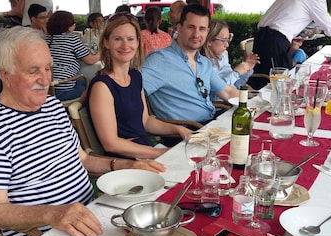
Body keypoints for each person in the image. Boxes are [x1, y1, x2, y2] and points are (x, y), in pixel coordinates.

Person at [0, 26, 164, 236]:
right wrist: (52, 214)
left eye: (48, 68)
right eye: (33, 71)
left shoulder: (52, 106)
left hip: (89, 216)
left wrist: (127, 165)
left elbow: (82, 160)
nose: (46, 79)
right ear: (5, 75)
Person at [87, 12, 191, 160]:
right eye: (117, 39)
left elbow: (146, 121)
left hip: (143, 150)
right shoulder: (102, 86)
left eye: (130, 39)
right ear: (106, 42)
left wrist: (179, 129)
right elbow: (111, 144)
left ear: (137, 42)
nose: (125, 45)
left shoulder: (135, 76)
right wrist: (161, 153)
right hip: (125, 161)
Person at [142, 5, 238, 125]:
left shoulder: (204, 63)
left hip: (211, 124)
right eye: (191, 27)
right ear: (179, 28)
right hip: (185, 132)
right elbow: (134, 92)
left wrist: (255, 102)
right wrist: (145, 122)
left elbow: (227, 92)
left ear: (207, 32)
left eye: (202, 29)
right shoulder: (160, 60)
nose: (196, 34)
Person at [249, 0, 331, 89]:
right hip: (273, 40)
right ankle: (276, 111)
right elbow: (329, 26)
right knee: (279, 83)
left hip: (263, 37)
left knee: (263, 81)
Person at [45, 10, 100, 101]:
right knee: (91, 86)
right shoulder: (72, 38)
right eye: (73, 23)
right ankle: (80, 112)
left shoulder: (46, 39)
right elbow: (90, 60)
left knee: (80, 81)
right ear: (68, 26)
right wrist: (102, 53)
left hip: (47, 90)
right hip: (66, 90)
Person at [201, 19, 260, 91]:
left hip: (233, 97)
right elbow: (217, 93)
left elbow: (236, 85)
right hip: (220, 102)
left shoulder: (222, 57)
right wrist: (236, 73)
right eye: (223, 40)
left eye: (228, 40)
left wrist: (247, 69)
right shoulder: (203, 64)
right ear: (209, 41)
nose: (227, 45)